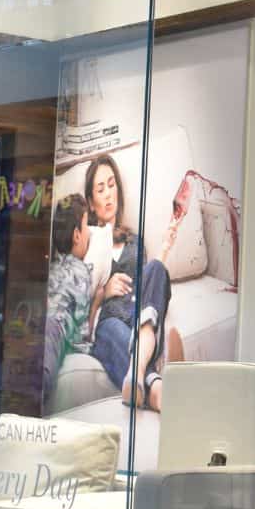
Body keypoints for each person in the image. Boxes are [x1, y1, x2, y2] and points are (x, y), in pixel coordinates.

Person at [85, 154, 174, 412]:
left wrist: (165, 249)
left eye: (112, 185)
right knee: (121, 334)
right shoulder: (89, 243)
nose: (109, 194)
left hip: (140, 318)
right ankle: (155, 387)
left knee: (157, 268)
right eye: (101, 190)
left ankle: (138, 374)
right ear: (91, 203)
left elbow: (149, 288)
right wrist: (104, 291)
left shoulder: (135, 242)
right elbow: (82, 303)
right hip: (110, 324)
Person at [43, 193, 101, 406]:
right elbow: (82, 336)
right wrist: (97, 301)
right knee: (44, 375)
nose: (89, 234)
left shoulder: (53, 266)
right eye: (87, 228)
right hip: (55, 329)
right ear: (77, 235)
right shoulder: (82, 272)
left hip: (37, 322)